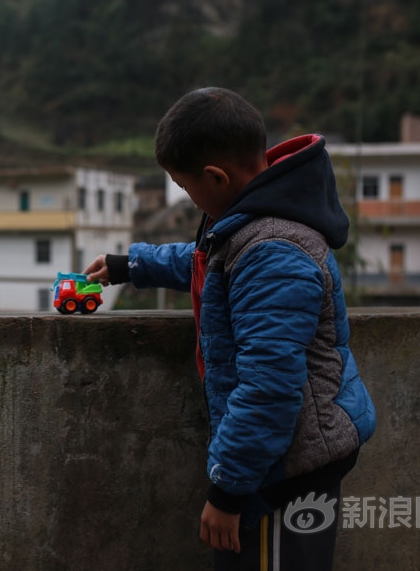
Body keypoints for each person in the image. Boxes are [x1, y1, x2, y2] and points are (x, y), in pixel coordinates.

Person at [84, 87, 376, 570]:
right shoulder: (257, 224)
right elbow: (208, 264)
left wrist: (228, 490)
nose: (187, 197)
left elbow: (269, 389)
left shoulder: (274, 252)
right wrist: (130, 265)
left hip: (284, 471)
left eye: (185, 187)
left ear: (216, 177)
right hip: (276, 459)